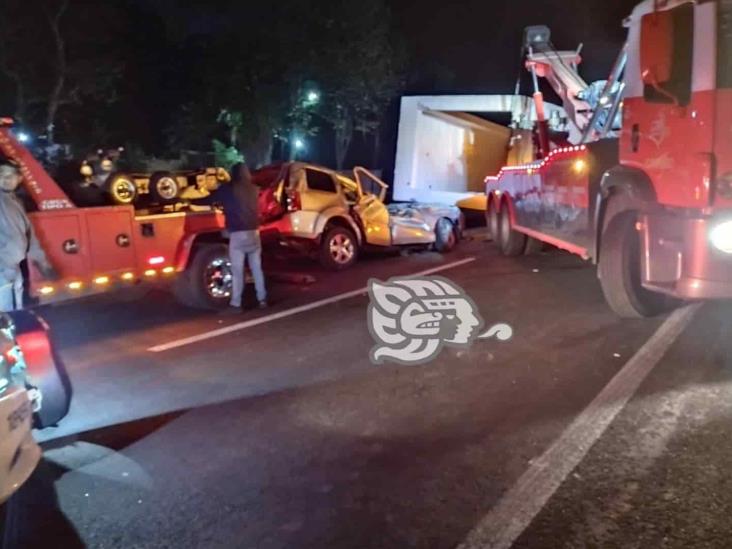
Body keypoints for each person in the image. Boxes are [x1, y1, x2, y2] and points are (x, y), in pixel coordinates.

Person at [203, 162, 267, 310]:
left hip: (238, 234)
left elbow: (209, 199)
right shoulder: (254, 189)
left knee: (238, 271)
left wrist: (188, 201)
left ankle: (236, 303)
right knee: (257, 268)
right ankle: (262, 299)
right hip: (254, 233)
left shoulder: (228, 189)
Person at [0, 158, 57, 311]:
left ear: (19, 179)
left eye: (10, 175)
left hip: (13, 269)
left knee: (15, 315)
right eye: (1, 174)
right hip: (2, 269)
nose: (5, 179)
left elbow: (30, 237)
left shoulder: (16, 202)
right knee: (5, 318)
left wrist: (44, 264)